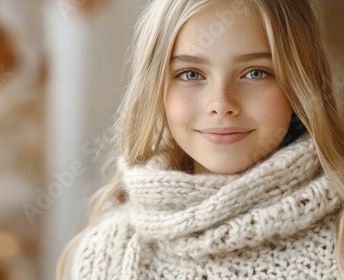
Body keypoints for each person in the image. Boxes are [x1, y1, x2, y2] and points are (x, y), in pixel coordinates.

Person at [57, 0, 344, 279]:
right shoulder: (104, 254)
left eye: (255, 73)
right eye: (190, 74)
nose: (221, 103)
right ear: (156, 89)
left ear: (300, 84)